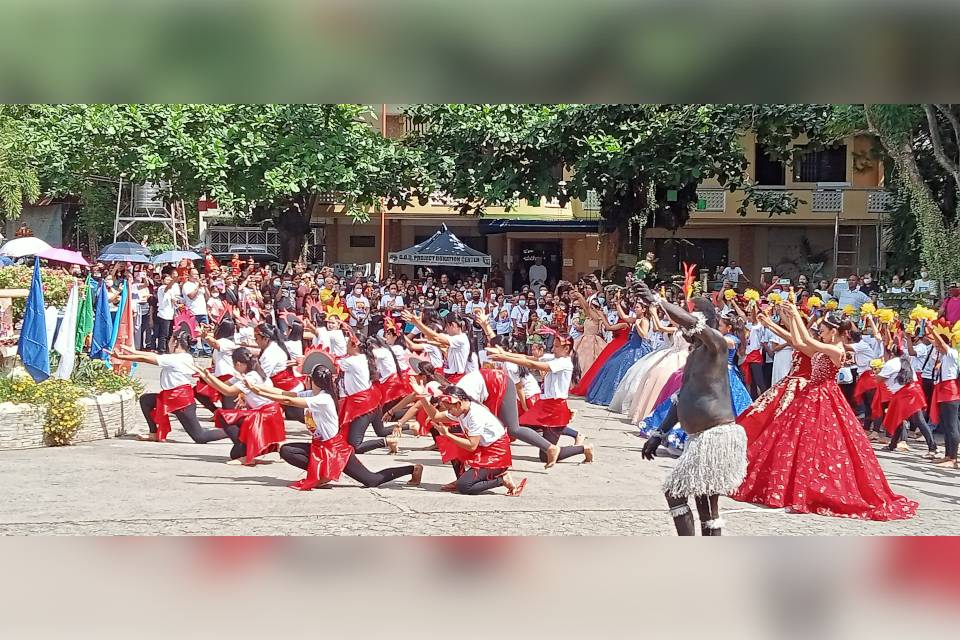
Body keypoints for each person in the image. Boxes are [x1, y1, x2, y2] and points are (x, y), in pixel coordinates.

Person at [731, 305, 918, 521]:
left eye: (824, 330)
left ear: (834, 332)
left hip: (824, 396)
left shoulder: (837, 349)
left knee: (822, 442)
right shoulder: (826, 347)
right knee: (795, 440)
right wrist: (787, 320)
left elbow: (807, 342)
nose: (821, 332)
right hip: (812, 395)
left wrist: (794, 316)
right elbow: (800, 343)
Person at [636, 282, 748, 536]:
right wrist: (658, 433)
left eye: (688, 321)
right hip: (701, 438)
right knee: (705, 504)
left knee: (677, 493)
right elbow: (680, 398)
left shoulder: (715, 345)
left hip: (715, 436)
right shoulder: (694, 354)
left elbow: (690, 323)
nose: (681, 328)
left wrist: (658, 300)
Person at [258, 362, 422, 491]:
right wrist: (257, 389)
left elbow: (288, 401)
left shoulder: (323, 399)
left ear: (312, 380)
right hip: (320, 447)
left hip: (336, 450)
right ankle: (323, 473)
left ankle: (412, 469)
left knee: (371, 480)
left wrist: (256, 390)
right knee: (287, 450)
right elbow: (286, 394)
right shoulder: (314, 393)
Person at [488, 335, 594, 468]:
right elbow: (528, 358)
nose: (553, 349)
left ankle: (584, 448)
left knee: (543, 456)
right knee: (517, 427)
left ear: (566, 348)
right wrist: (506, 354)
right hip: (544, 405)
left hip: (555, 409)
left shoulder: (564, 362)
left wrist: (505, 358)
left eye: (556, 346)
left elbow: (532, 364)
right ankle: (551, 444)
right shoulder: (555, 358)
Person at [113, 330, 229, 444]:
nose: (168, 343)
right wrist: (133, 351)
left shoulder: (175, 359)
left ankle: (232, 431)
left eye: (170, 340)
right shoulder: (185, 356)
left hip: (182, 401)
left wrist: (123, 357)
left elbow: (146, 359)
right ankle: (153, 433)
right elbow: (153, 355)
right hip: (171, 397)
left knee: (200, 437)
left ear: (175, 343)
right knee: (146, 400)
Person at [414, 386, 525, 496]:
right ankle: (461, 478)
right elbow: (436, 416)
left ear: (458, 404)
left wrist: (447, 434)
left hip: (496, 456)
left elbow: (471, 445)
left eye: (449, 409)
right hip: (482, 449)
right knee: (452, 444)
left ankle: (501, 479)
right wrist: (422, 398)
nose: (449, 412)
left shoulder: (475, 415)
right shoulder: (462, 410)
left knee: (464, 486)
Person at [192, 347, 286, 465]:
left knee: (224, 416)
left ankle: (246, 452)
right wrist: (206, 377)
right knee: (234, 453)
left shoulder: (251, 377)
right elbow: (222, 385)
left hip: (265, 414)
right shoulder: (251, 373)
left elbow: (228, 391)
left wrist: (208, 377)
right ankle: (249, 448)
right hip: (266, 412)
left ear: (238, 363)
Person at [927, 324, 960, 468]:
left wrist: (932, 329)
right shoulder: (944, 356)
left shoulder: (952, 353)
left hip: (950, 391)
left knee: (952, 426)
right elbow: (936, 342)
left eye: (939, 346)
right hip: (943, 390)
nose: (937, 348)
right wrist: (926, 328)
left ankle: (953, 459)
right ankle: (948, 455)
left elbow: (940, 342)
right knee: (946, 425)